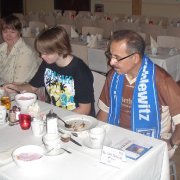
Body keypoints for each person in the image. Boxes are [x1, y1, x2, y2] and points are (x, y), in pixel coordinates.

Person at [97, 30, 180, 158]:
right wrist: (96, 134)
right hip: (117, 133)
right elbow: (104, 111)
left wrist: (170, 143)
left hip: (155, 138)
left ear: (135, 58)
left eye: (117, 58)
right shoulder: (113, 76)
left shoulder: (161, 80)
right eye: (110, 55)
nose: (111, 62)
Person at [4, 26, 95, 116]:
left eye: (46, 53)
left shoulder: (80, 70)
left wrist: (56, 118)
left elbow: (85, 110)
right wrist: (16, 87)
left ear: (61, 49)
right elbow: (32, 87)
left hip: (78, 120)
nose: (42, 56)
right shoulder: (48, 64)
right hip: (56, 114)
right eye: (41, 52)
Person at [0, 14, 41, 85]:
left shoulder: (25, 53)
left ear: (19, 32)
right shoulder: (2, 47)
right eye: (5, 32)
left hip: (20, 91)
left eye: (12, 32)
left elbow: (17, 85)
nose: (8, 35)